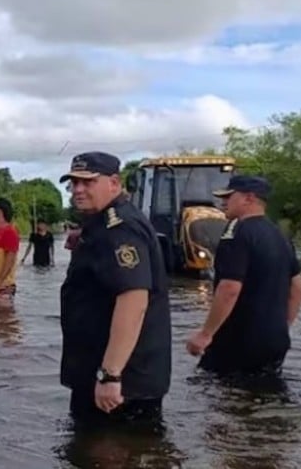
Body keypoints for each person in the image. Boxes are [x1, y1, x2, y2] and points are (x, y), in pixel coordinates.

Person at [58, 151, 171, 428]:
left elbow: (133, 299)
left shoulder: (120, 228)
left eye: (88, 182)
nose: (78, 190)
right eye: (74, 183)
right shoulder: (103, 224)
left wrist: (111, 375)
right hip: (108, 375)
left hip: (121, 384)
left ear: (114, 182)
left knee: (112, 453)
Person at [186, 175, 301, 376]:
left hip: (239, 339)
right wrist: (282, 327)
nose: (222, 202)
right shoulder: (280, 235)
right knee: (265, 395)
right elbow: (298, 289)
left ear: (248, 198)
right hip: (275, 340)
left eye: (229, 196)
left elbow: (229, 288)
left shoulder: (237, 232)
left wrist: (205, 334)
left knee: (219, 395)